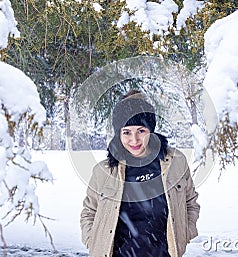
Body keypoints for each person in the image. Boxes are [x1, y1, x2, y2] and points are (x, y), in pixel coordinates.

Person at [80, 90, 200, 257]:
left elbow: (190, 202)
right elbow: (89, 211)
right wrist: (92, 240)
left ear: (150, 131)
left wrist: (186, 231)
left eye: (141, 131)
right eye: (127, 132)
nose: (134, 140)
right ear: (119, 133)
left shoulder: (175, 162)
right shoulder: (104, 171)